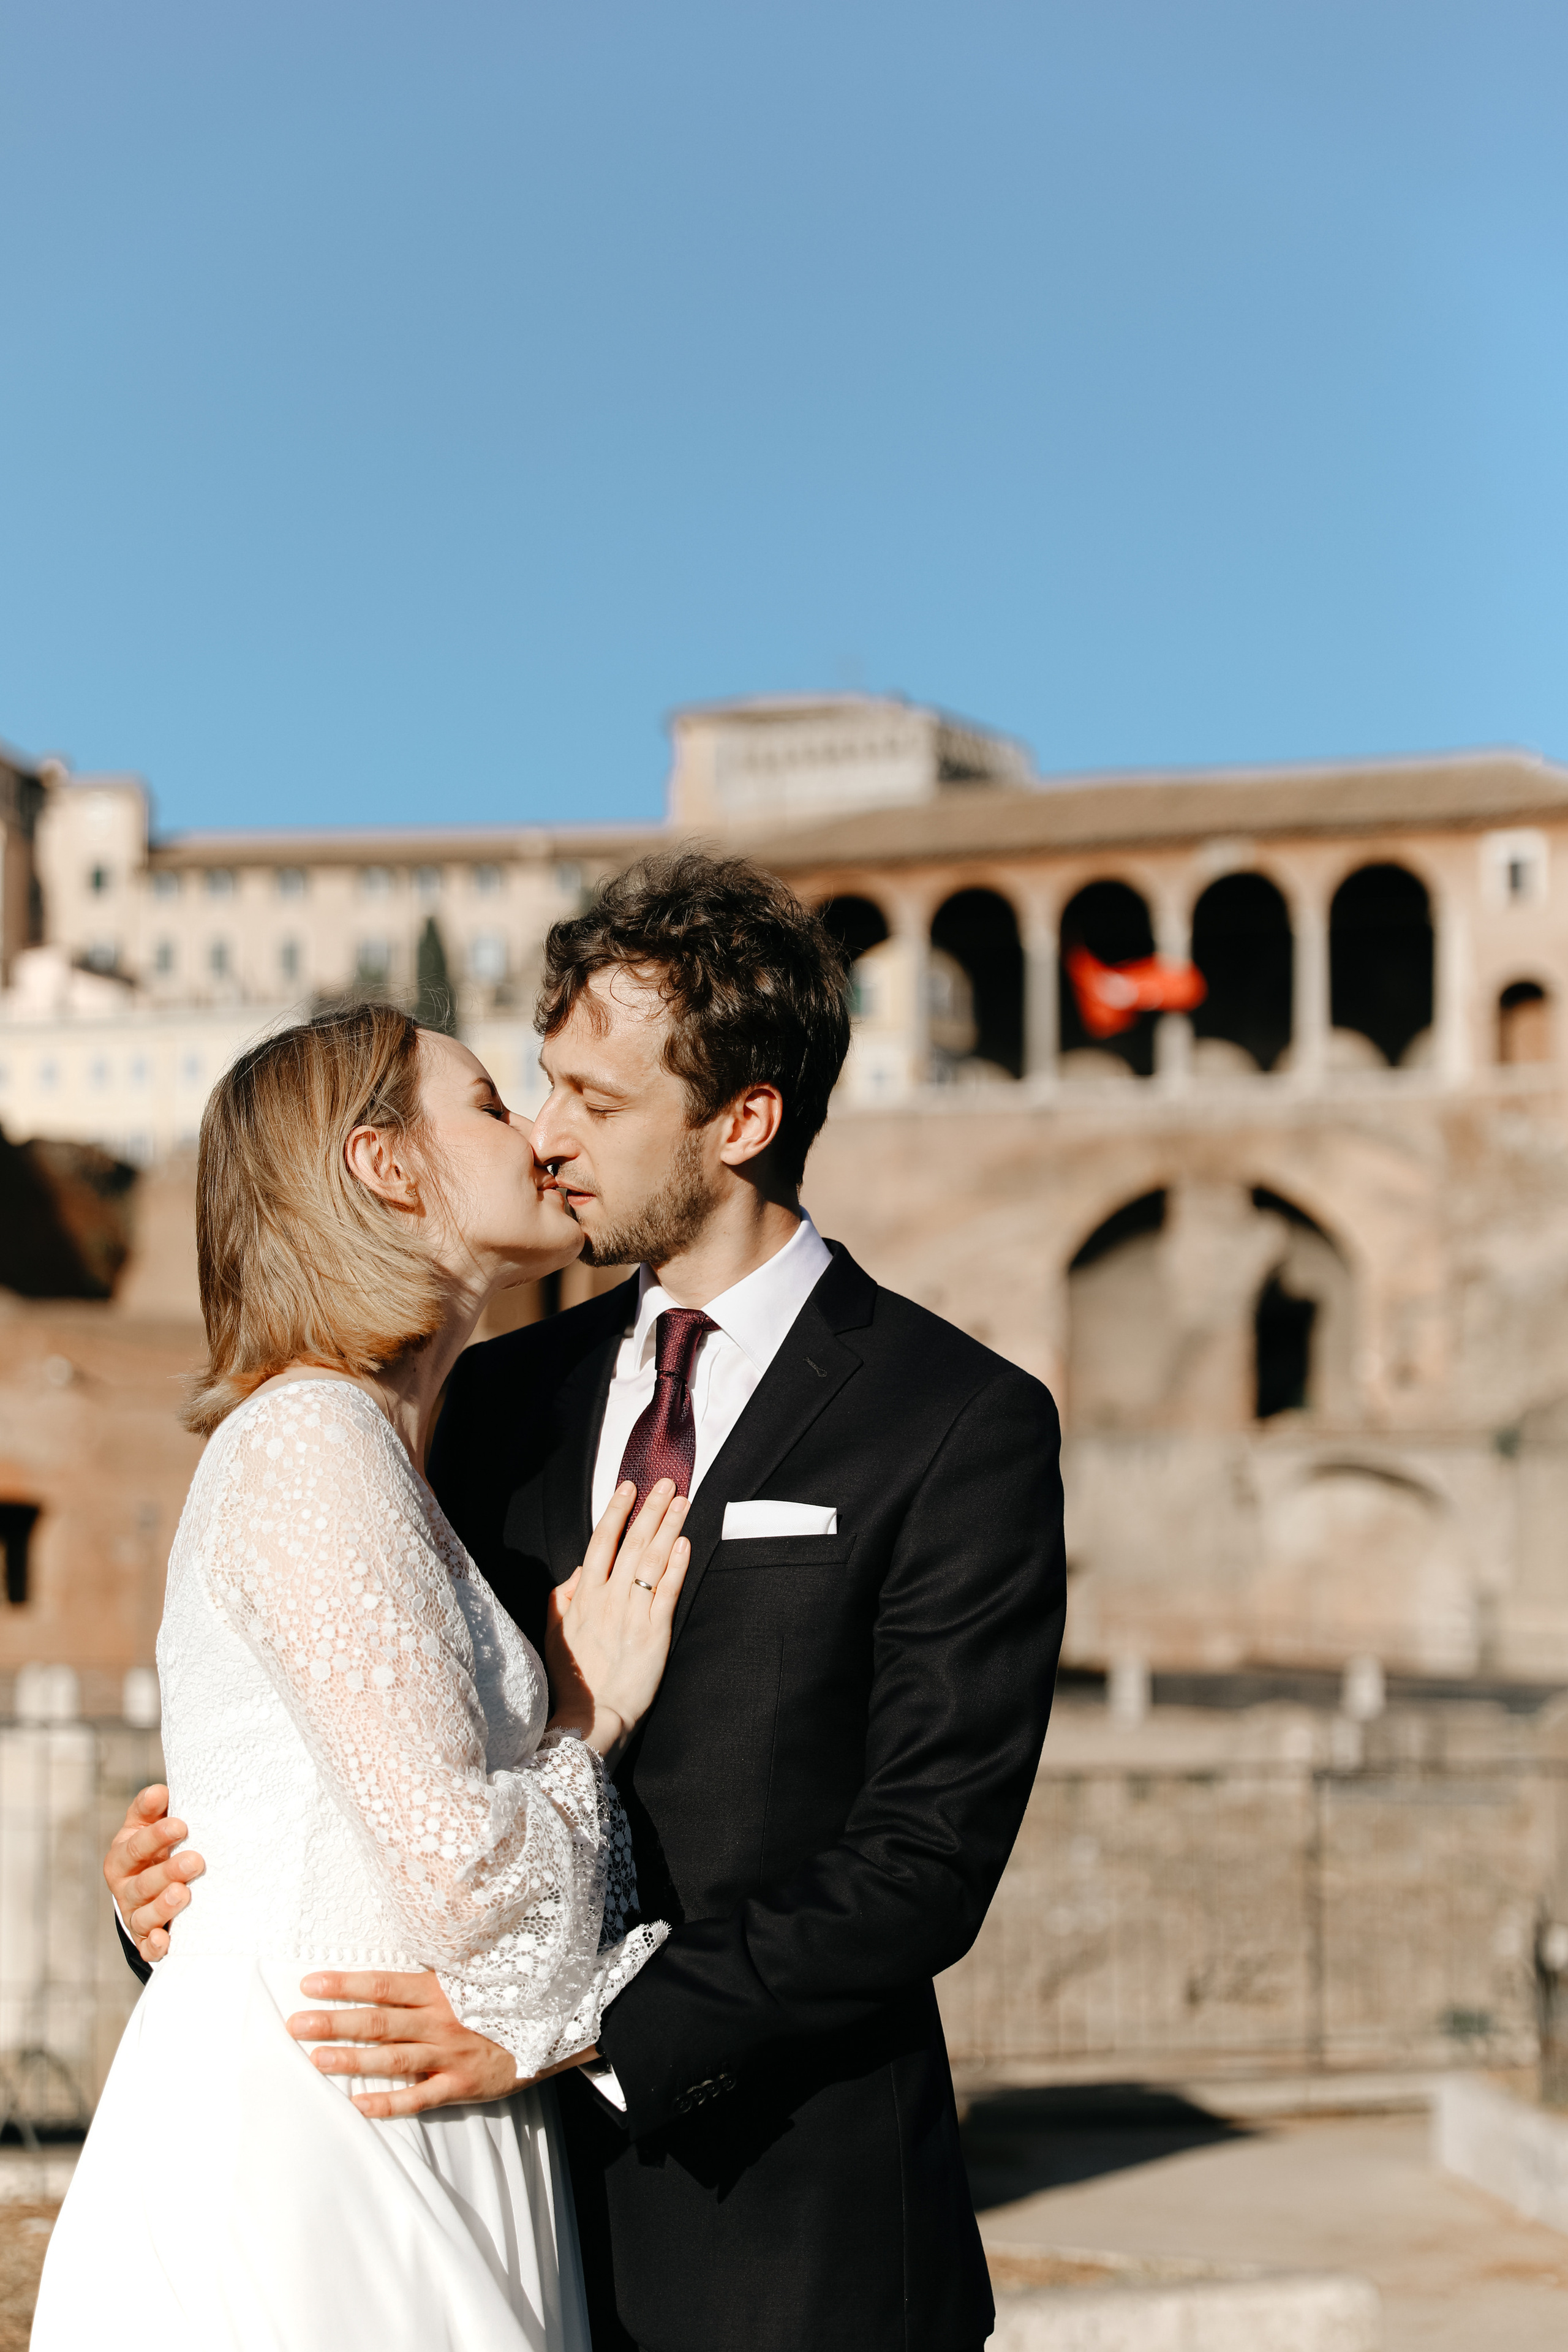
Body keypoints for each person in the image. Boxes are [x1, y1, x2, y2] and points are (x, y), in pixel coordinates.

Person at [105, 853, 1067, 2352]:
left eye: (597, 1106)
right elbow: (374, 1749)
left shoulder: (954, 1418)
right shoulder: (484, 1402)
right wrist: (187, 1889)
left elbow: (924, 1858)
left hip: (786, 2231)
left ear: (740, 1122)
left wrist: (583, 2038)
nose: (550, 1140)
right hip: (456, 2186)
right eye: (535, 1088)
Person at [41, 1002, 694, 2350]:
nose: (537, 1132)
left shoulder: (370, 1448)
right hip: (329, 2135)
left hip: (382, 2102)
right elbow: (460, 1878)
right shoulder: (313, 1442)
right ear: (388, 1167)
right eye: (488, 1102)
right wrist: (591, 1719)